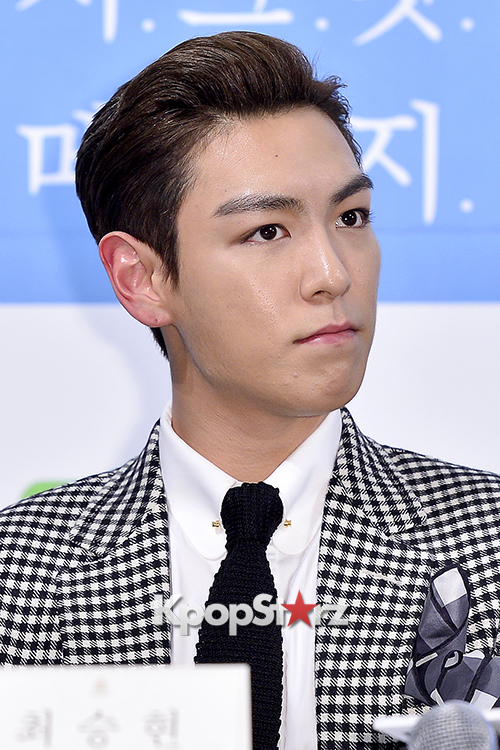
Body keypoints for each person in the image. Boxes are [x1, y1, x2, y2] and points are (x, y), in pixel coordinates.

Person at [1, 30, 500, 750]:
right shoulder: (19, 580)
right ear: (142, 280)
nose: (332, 273)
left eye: (351, 218)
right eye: (267, 231)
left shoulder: (486, 544)